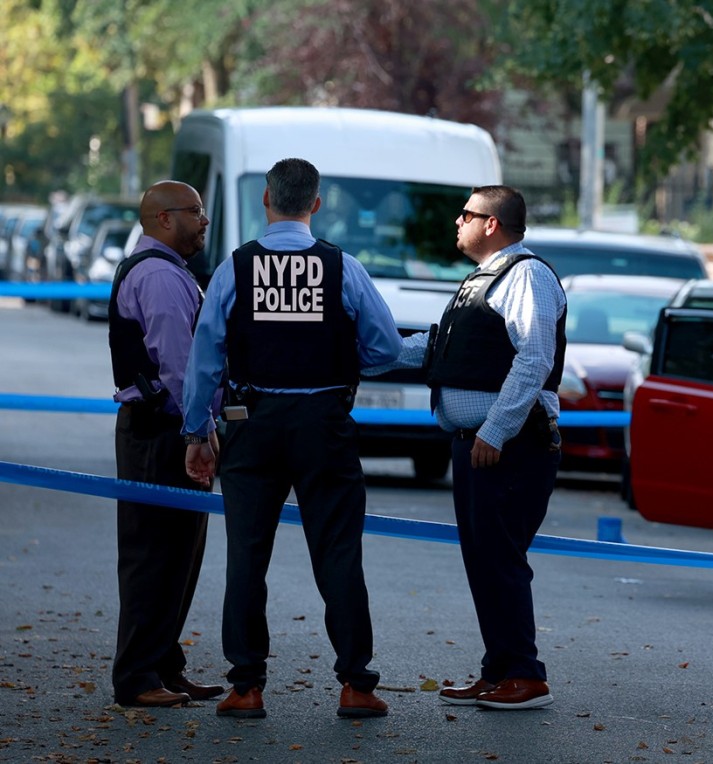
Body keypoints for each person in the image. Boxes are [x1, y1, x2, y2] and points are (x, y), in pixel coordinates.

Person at [181, 158, 401, 719]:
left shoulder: (235, 269)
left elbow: (205, 357)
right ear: (317, 204)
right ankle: (356, 684)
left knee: (246, 560)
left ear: (267, 200)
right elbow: (386, 349)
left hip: (252, 423)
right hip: (325, 425)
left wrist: (196, 431)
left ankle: (246, 686)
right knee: (339, 557)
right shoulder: (343, 267)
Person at [373, 185, 565, 709]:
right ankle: (500, 670)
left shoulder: (526, 275)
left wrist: (495, 430)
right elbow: (438, 348)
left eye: (466, 214)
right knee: (483, 559)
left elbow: (534, 359)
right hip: (482, 444)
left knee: (499, 558)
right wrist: (362, 352)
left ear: (491, 225)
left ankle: (525, 675)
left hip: (509, 446)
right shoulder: (483, 280)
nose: (456, 221)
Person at [107, 181, 226, 708]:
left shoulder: (165, 270)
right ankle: (137, 677)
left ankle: (162, 665)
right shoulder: (157, 276)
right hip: (162, 431)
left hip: (163, 429)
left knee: (178, 555)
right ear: (162, 219)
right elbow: (180, 367)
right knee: (153, 556)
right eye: (195, 212)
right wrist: (198, 431)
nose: (204, 221)